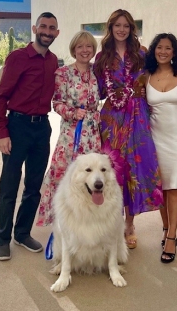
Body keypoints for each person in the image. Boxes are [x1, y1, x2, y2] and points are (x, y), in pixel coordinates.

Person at [0, 12, 60, 261]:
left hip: (42, 129)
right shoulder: (18, 57)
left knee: (33, 187)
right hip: (17, 126)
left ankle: (22, 233)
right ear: (35, 28)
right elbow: (0, 97)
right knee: (9, 186)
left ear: (57, 33)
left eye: (52, 28)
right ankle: (3, 239)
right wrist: (2, 132)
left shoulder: (54, 61)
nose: (47, 31)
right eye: (43, 26)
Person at [94, 9, 163, 249]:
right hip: (112, 118)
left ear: (131, 28)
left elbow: (155, 78)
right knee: (114, 169)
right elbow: (100, 90)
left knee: (135, 167)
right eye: (117, 25)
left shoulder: (142, 53)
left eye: (126, 26)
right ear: (111, 28)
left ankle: (130, 225)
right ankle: (112, 222)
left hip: (137, 115)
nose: (122, 29)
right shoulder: (103, 57)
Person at [37, 31, 101, 226]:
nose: (85, 50)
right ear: (74, 49)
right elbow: (56, 102)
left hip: (92, 134)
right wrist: (73, 112)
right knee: (66, 174)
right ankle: (64, 221)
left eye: (88, 46)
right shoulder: (63, 73)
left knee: (91, 176)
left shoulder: (96, 71)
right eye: (80, 46)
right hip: (71, 134)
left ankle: (88, 221)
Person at [145, 33, 177, 263]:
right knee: (161, 186)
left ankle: (172, 236)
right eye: (159, 47)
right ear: (154, 50)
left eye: (168, 48)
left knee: (174, 186)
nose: (163, 51)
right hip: (154, 137)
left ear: (174, 52)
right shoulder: (145, 76)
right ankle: (165, 228)